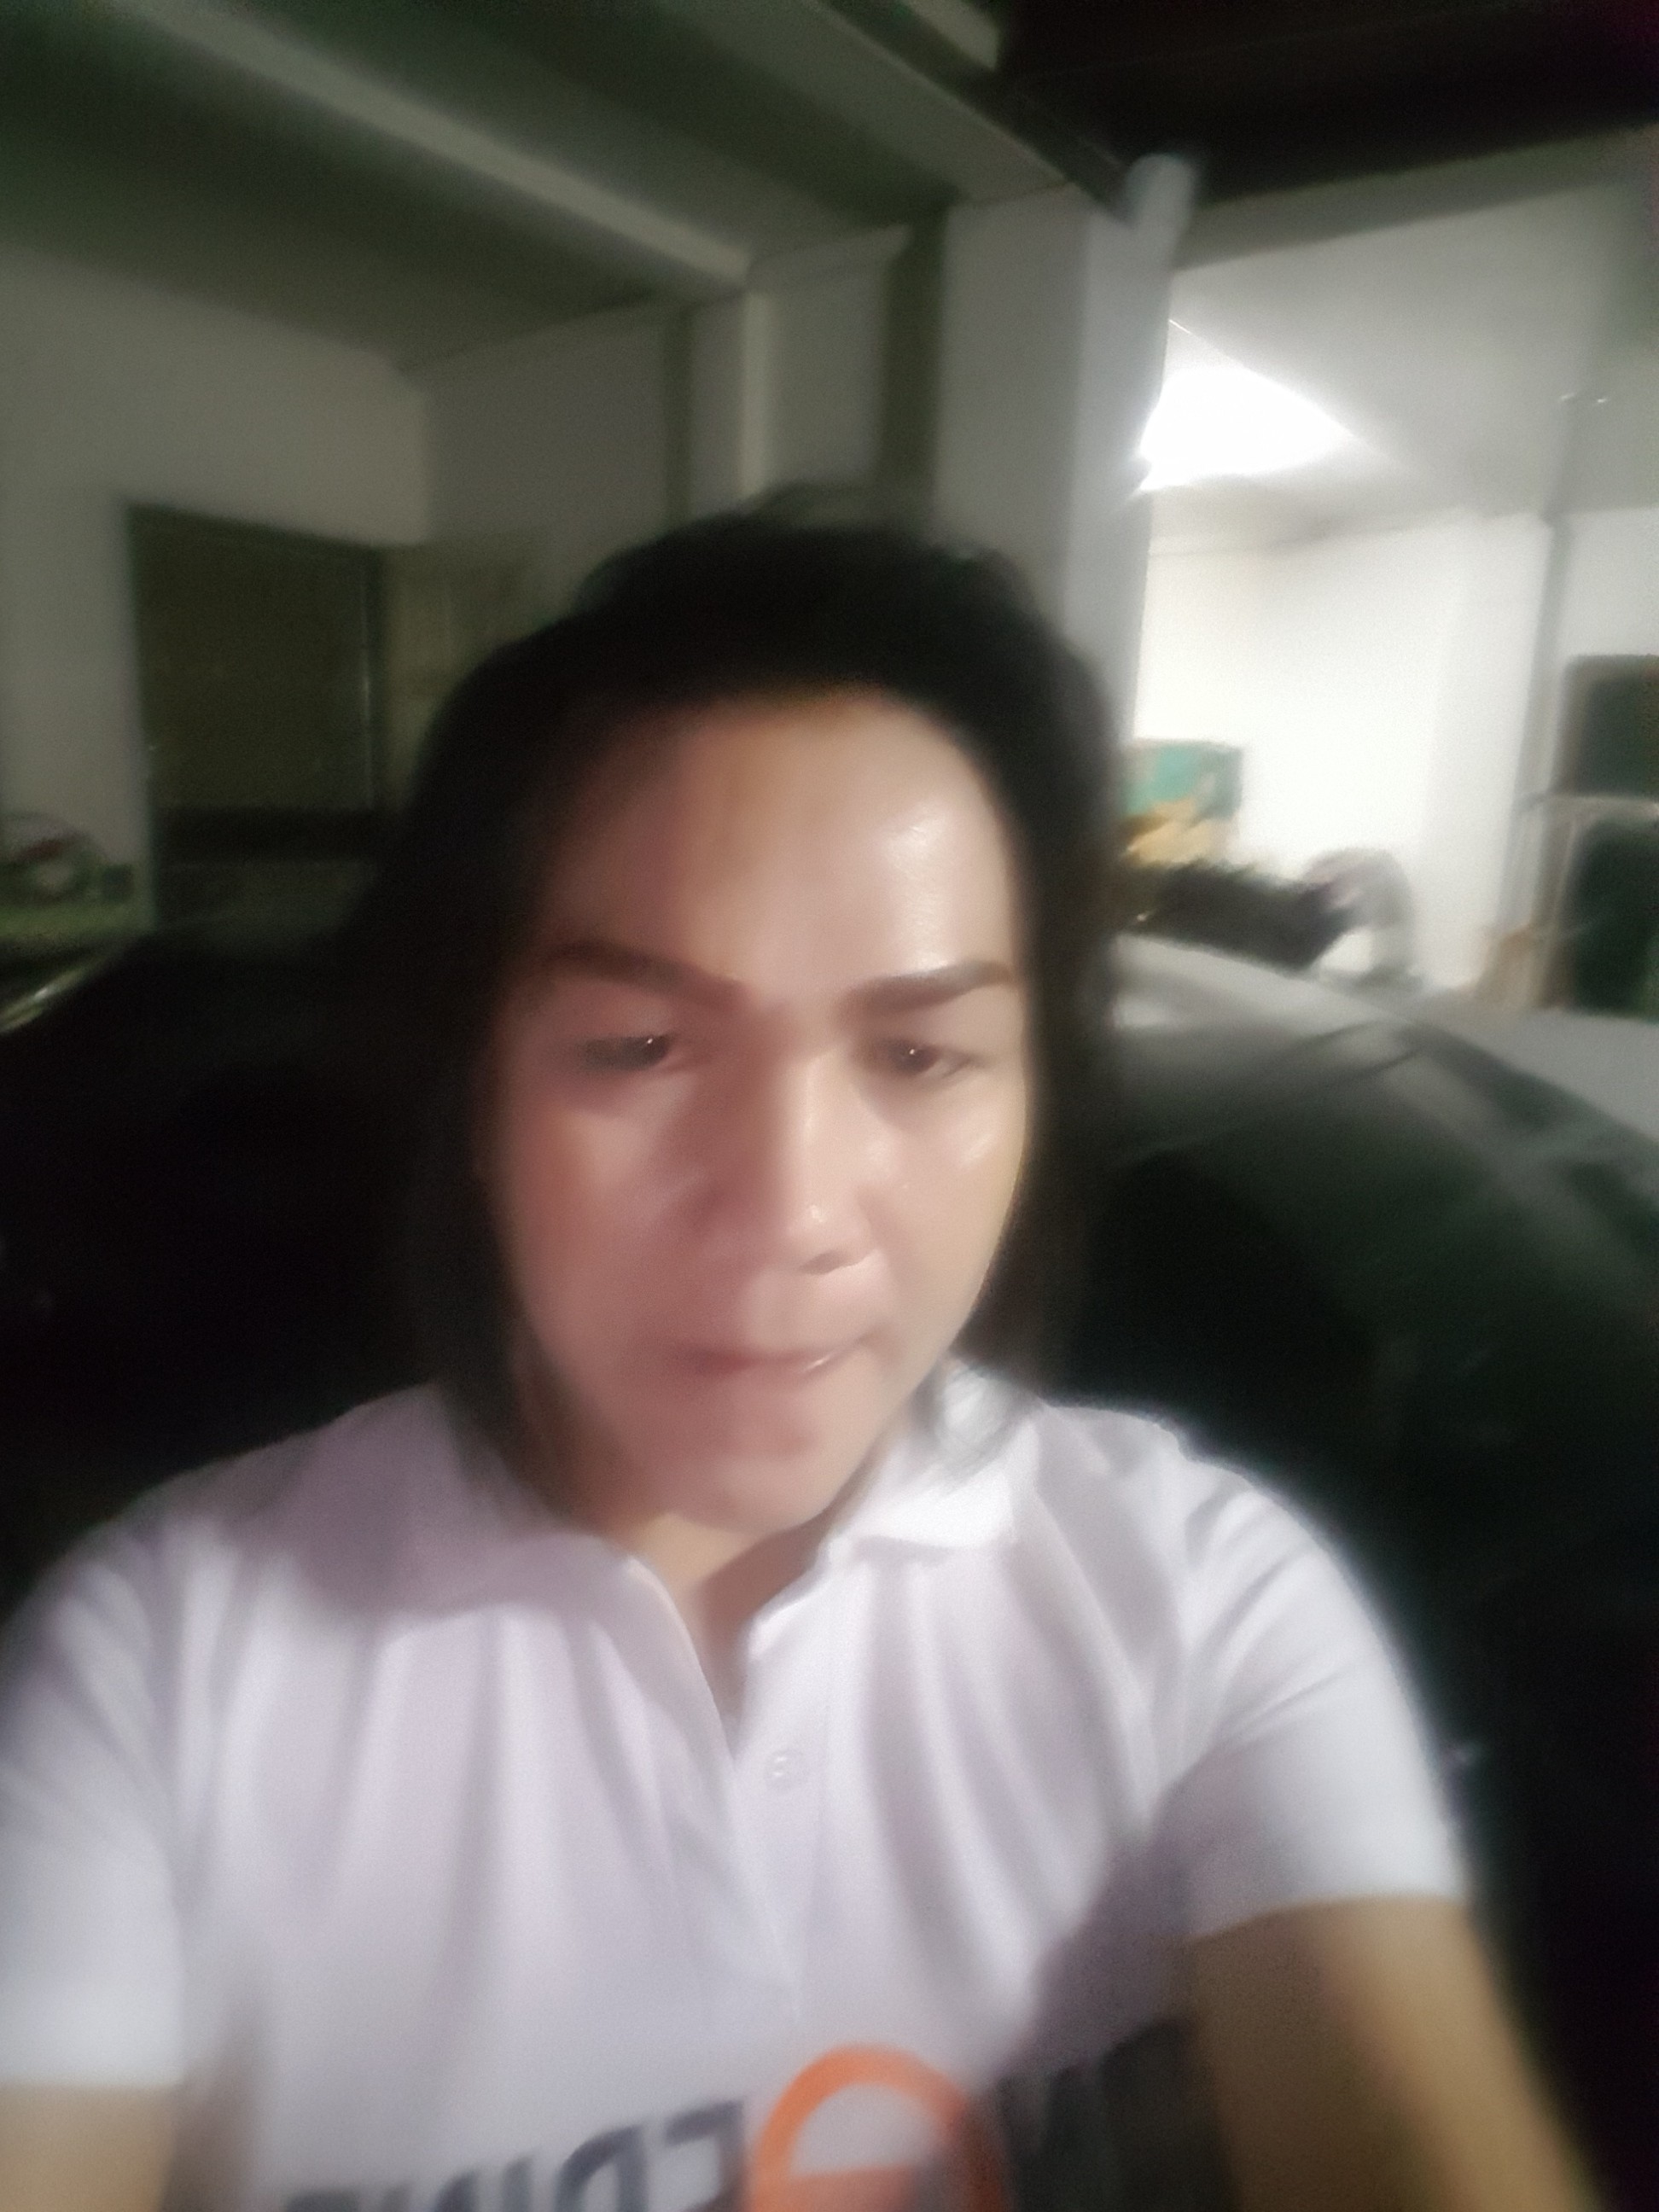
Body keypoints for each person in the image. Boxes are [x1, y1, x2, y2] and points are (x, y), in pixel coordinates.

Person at [0, 516, 1592, 2212]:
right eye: (638, 1047)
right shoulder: (158, 1677)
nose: (790, 1212)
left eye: (919, 1053)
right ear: (471, 1092)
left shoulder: (1201, 1604)